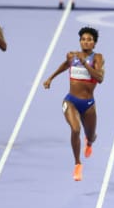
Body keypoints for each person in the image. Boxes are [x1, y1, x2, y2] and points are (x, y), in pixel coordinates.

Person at [43, 27, 104, 181]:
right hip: (71, 101)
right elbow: (65, 65)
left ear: (94, 43)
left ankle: (89, 142)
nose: (86, 41)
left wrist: (85, 63)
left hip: (88, 104)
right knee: (75, 129)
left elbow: (99, 78)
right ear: (80, 41)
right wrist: (51, 78)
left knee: (91, 136)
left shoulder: (97, 57)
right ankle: (77, 164)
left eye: (89, 39)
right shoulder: (72, 56)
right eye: (83, 39)